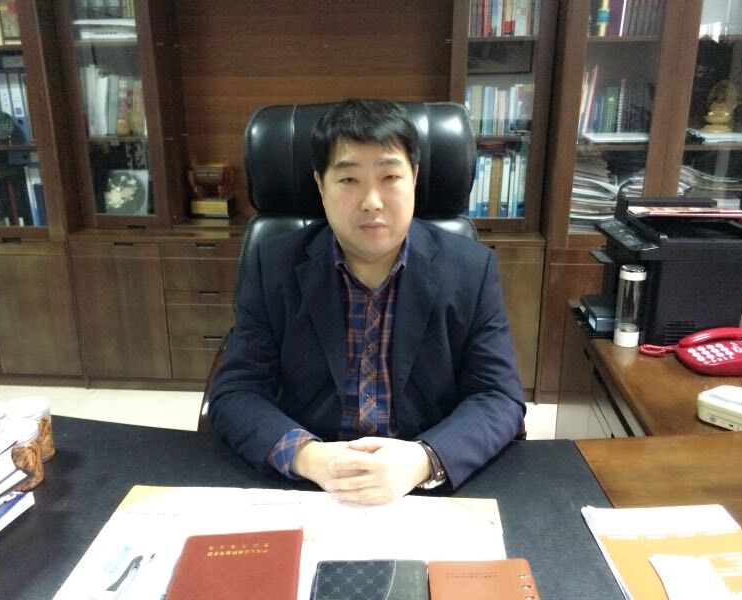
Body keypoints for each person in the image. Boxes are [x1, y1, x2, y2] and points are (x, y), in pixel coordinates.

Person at [208, 99, 525, 505]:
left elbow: (499, 396)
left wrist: (423, 459)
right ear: (320, 185)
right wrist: (308, 457)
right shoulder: (274, 266)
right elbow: (236, 392)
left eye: (390, 176)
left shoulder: (471, 269)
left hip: (424, 490)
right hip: (311, 487)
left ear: (414, 177)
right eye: (348, 179)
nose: (372, 201)